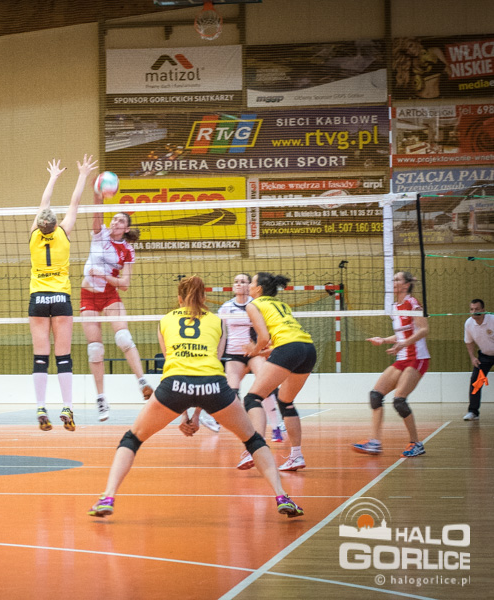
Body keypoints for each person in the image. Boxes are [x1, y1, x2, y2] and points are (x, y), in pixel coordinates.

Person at [87, 276, 303, 519]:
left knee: (132, 439)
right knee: (253, 439)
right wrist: (198, 413)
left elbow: (172, 362)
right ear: (204, 298)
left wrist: (185, 415)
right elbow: (215, 362)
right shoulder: (217, 321)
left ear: (179, 298)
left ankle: (107, 497)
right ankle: (282, 496)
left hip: (174, 386)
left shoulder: (165, 320)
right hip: (213, 387)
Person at [29, 155, 98, 432]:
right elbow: (74, 203)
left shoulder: (34, 235)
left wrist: (53, 177)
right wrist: (82, 175)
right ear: (56, 224)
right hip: (60, 299)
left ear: (39, 223)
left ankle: (40, 407)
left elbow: (44, 204)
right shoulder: (64, 232)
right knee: (64, 356)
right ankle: (67, 407)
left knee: (40, 357)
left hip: (38, 299)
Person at [80, 186, 152, 422]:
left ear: (126, 228)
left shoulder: (128, 250)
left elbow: (125, 284)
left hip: (110, 294)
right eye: (114, 219)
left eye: (121, 221)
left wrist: (103, 276)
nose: (115, 222)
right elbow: (96, 211)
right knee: (95, 349)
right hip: (88, 295)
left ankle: (142, 382)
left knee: (124, 338)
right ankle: (101, 398)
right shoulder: (99, 234)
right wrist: (97, 192)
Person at [239, 273, 316, 472]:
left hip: (289, 348)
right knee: (285, 401)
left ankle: (254, 449)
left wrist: (254, 350)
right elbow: (282, 338)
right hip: (308, 348)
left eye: (252, 282)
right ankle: (296, 456)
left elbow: (264, 337)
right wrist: (263, 351)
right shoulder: (281, 304)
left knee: (252, 399)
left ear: (258, 288)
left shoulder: (253, 305)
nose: (248, 286)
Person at [353, 271, 429, 457]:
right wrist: (384, 340)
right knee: (375, 396)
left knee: (399, 401)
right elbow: (401, 334)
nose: (393, 282)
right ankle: (374, 442)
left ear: (406, 285)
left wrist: (404, 343)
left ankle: (416, 443)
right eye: (393, 279)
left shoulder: (413, 303)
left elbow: (424, 329)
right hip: (402, 358)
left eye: (397, 279)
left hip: (417, 358)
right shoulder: (395, 307)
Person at [215, 274, 286, 455]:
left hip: (254, 352)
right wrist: (217, 356)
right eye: (236, 281)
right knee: (231, 392)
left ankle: (276, 426)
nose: (239, 284)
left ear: (250, 286)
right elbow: (222, 334)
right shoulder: (226, 307)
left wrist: (263, 349)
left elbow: (265, 330)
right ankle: (242, 428)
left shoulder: (256, 306)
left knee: (265, 386)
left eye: (243, 282)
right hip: (234, 354)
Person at [463, 298, 492, 421]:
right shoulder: (469, 323)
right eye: (472, 309)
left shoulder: (492, 320)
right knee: (476, 382)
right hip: (484, 356)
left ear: (483, 310)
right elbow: (469, 342)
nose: (474, 312)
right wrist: (472, 357)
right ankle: (473, 412)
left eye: (477, 309)